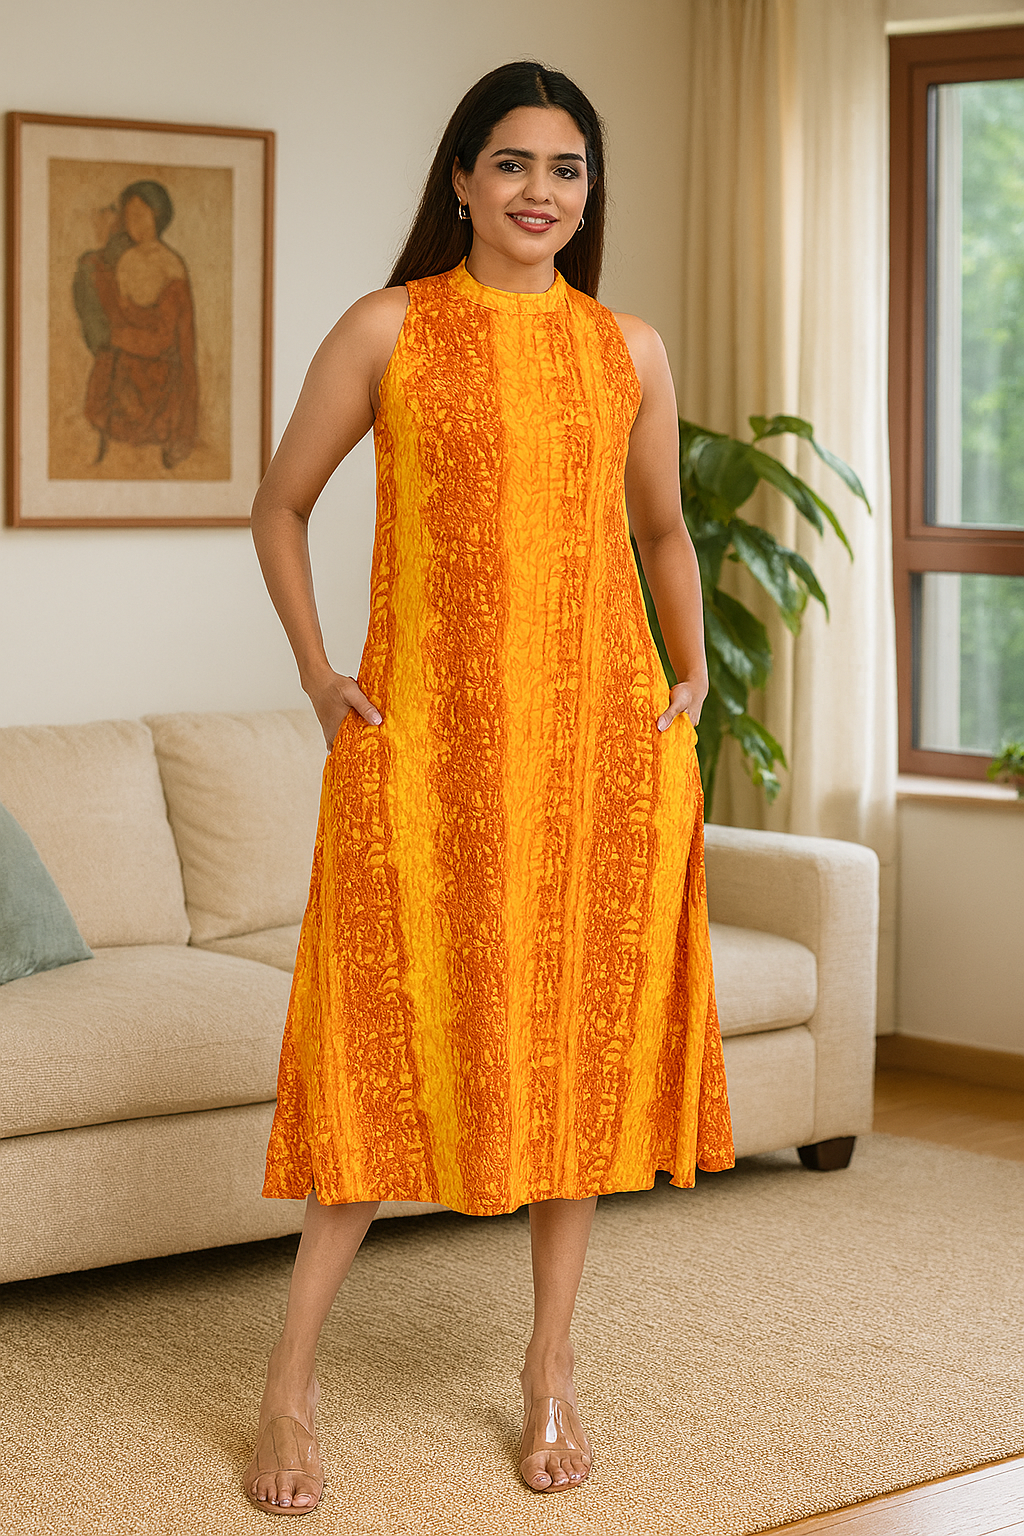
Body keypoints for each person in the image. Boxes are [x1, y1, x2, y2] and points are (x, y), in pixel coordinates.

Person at [244, 60, 734, 1515]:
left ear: (590, 191)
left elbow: (663, 528)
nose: (540, 192)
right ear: (460, 179)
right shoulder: (391, 329)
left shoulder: (625, 348)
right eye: (511, 163)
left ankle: (548, 1372)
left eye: (567, 169)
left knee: (573, 1075)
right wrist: (322, 670)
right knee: (378, 1069)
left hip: (595, 760)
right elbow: (279, 503)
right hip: (424, 761)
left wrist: (691, 678)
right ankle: (287, 1392)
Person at [73, 180, 197, 470]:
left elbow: (166, 338)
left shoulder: (171, 265)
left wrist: (116, 337)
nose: (134, 223)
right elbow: (113, 312)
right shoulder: (125, 260)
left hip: (159, 376)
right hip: (121, 370)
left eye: (141, 215)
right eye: (129, 216)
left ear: (158, 216)